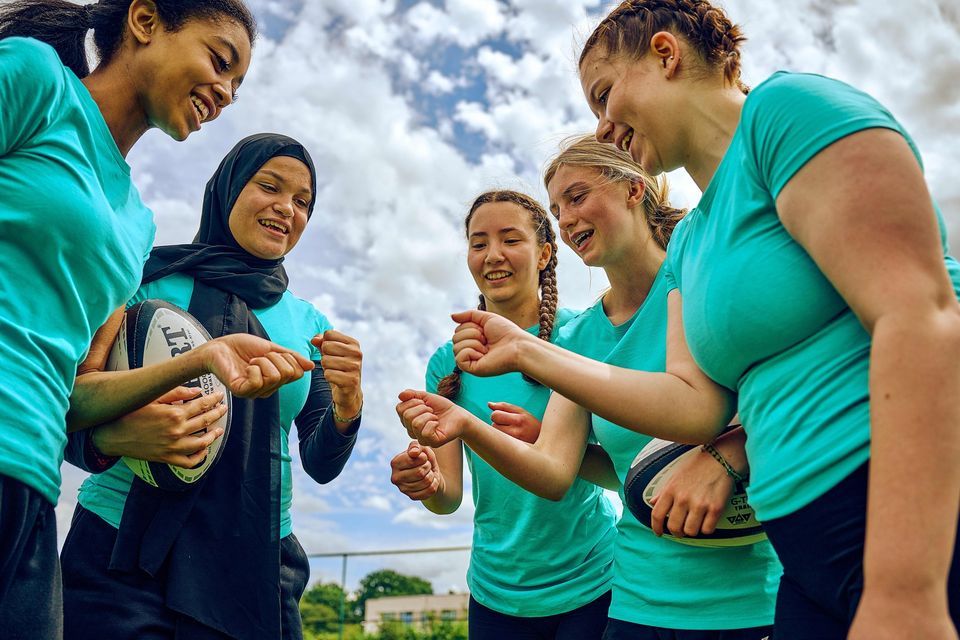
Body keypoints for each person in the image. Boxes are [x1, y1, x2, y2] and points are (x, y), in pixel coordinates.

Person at [420, 2, 960, 638]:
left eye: (604, 95)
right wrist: (525, 353)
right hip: (804, 554)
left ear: (666, 55)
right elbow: (694, 407)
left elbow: (922, 313)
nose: (604, 125)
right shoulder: (696, 244)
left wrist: (906, 588)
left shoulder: (784, 111)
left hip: (895, 520)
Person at [398, 135, 780, 639]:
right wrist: (493, 434)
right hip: (637, 597)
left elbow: (789, 392)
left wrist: (728, 452)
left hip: (745, 593)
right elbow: (565, 471)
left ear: (634, 189)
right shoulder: (578, 340)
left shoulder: (699, 270)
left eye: (577, 198)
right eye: (558, 209)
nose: (568, 217)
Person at [0, 2, 300, 638]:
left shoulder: (135, 224)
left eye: (238, 85)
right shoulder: (36, 82)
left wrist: (203, 359)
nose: (224, 92)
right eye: (220, 61)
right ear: (143, 20)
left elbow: (75, 396)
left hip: (29, 483)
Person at [61, 133, 364, 640]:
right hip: (119, 556)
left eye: (303, 201)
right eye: (269, 185)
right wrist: (114, 439)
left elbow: (321, 463)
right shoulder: (142, 280)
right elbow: (66, 405)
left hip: (255, 566)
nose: (286, 208)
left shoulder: (310, 322)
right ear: (227, 188)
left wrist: (349, 404)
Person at [390, 190, 616, 640]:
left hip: (595, 582)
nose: (493, 255)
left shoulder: (583, 336)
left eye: (510, 240)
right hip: (495, 592)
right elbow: (449, 496)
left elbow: (620, 471)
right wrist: (428, 483)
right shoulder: (447, 362)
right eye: (478, 243)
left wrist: (545, 441)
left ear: (545, 254)